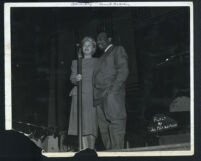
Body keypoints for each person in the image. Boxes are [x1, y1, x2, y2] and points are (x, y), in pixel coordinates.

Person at [93, 32, 129, 150]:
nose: (99, 42)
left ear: (109, 39)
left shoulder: (117, 50)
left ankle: (117, 153)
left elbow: (123, 71)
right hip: (99, 98)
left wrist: (113, 91)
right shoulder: (100, 58)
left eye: (101, 39)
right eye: (97, 41)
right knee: (104, 128)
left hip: (111, 94)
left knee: (116, 123)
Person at [68, 37, 98, 150]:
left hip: (91, 96)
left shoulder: (97, 61)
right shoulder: (76, 62)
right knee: (82, 125)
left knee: (91, 125)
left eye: (89, 45)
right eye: (84, 45)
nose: (86, 47)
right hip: (79, 96)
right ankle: (84, 150)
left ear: (93, 48)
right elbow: (71, 78)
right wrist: (76, 78)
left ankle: (91, 149)